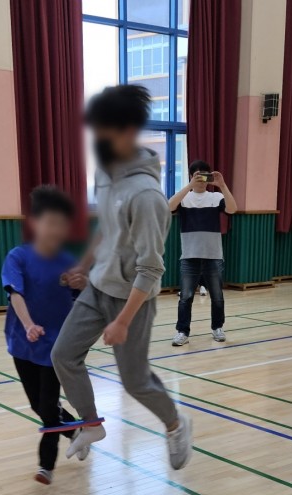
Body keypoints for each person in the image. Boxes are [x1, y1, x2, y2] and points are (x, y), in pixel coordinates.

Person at [51, 84, 193, 470]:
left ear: (128, 130)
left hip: (132, 299)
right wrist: (84, 265)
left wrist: (123, 321)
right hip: (97, 287)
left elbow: (152, 268)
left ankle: (175, 424)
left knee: (135, 381)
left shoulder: (147, 197)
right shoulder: (106, 173)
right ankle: (91, 423)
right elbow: (107, 227)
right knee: (63, 355)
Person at [2, 186, 89, 485]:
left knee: (49, 407)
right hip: (23, 342)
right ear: (35, 223)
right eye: (50, 222)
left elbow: (81, 300)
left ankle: (46, 466)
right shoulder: (17, 257)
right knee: (38, 405)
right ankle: (75, 430)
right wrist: (28, 325)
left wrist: (83, 285)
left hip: (56, 346)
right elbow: (15, 293)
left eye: (61, 223)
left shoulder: (68, 261)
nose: (56, 229)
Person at [169, 161, 237, 346]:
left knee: (217, 297)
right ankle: (182, 332)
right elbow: (169, 206)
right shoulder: (185, 198)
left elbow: (232, 209)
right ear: (191, 176)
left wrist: (222, 185)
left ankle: (217, 328)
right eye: (197, 175)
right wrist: (189, 186)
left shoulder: (216, 197)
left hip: (213, 256)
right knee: (185, 297)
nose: (201, 179)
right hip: (189, 256)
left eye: (205, 175)